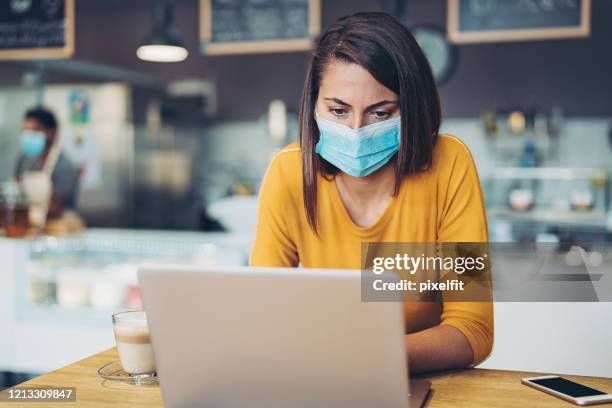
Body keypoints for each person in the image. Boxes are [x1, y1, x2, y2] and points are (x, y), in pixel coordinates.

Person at [251, 12, 493, 373]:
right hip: (323, 377)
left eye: (380, 113)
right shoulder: (288, 172)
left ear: (411, 108)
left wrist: (370, 359)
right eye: (338, 110)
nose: (356, 129)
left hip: (427, 383)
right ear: (313, 104)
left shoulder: (450, 163)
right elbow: (261, 312)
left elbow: (473, 329)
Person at [15, 107, 80, 219]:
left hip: (59, 228)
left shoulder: (64, 166)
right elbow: (15, 193)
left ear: (52, 132)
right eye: (25, 130)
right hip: (28, 228)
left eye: (35, 130)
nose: (28, 135)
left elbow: (55, 207)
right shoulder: (23, 160)